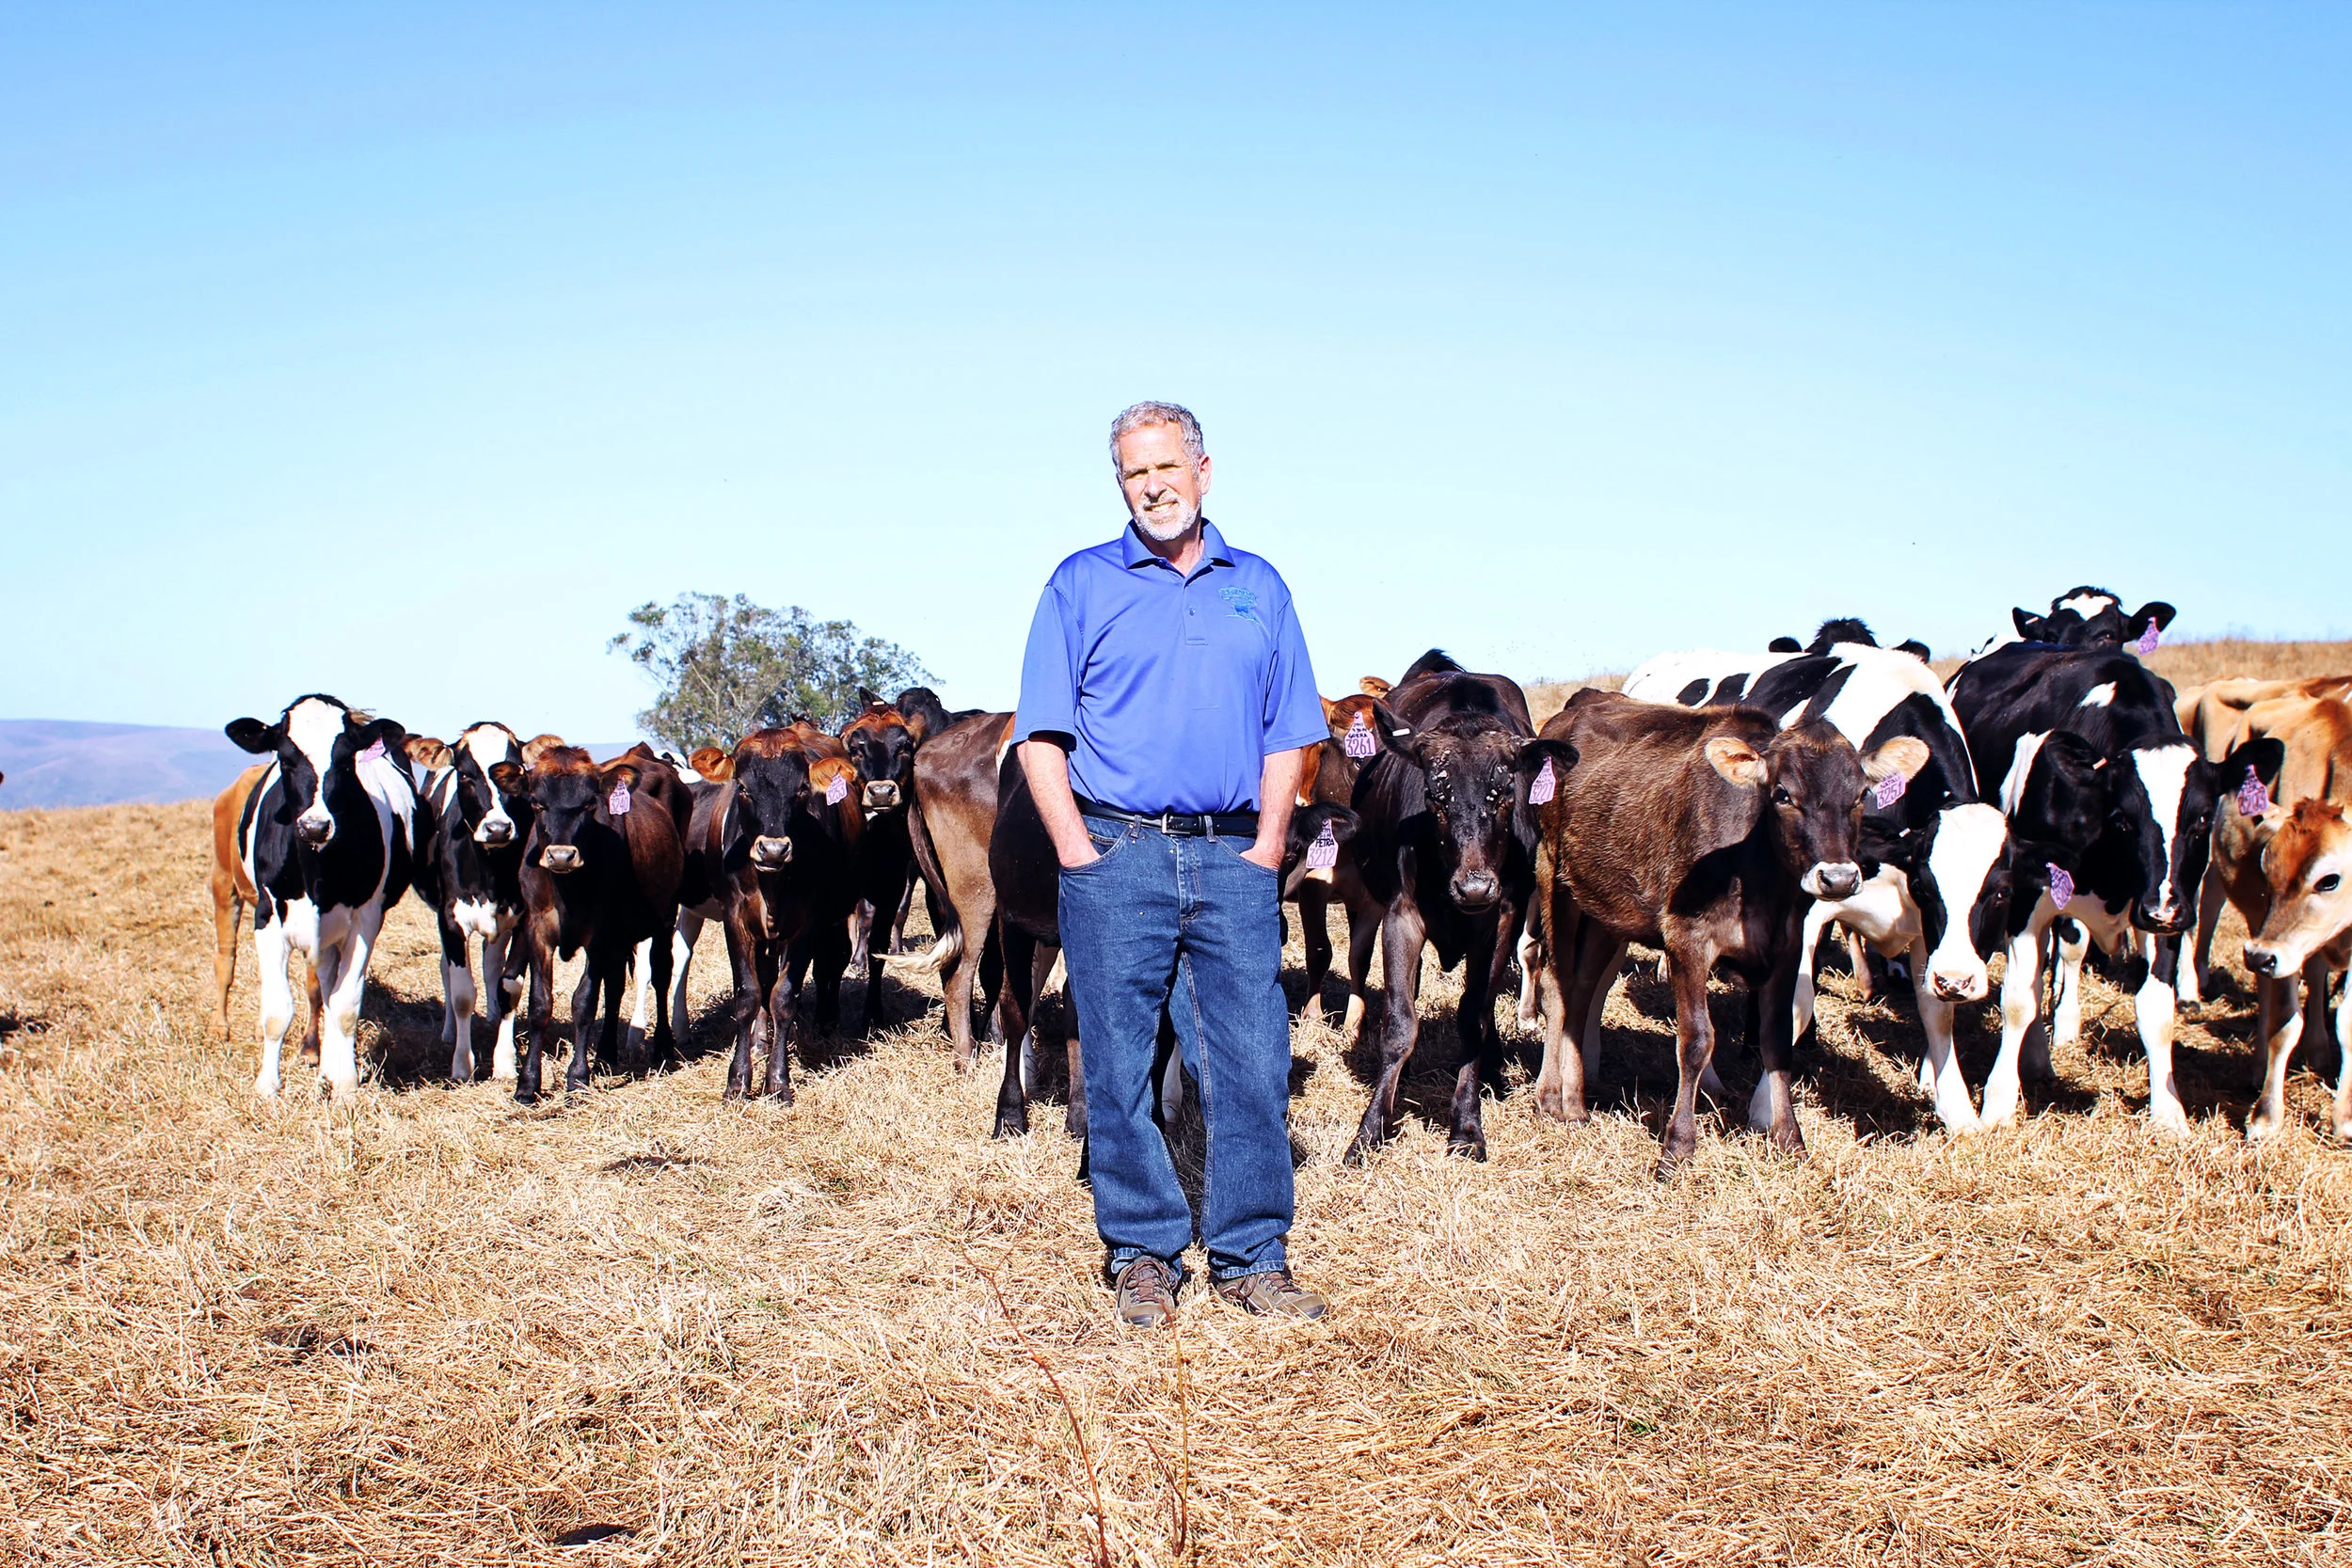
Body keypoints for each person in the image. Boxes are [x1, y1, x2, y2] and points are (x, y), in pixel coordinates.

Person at [1013, 401, 1330, 1327]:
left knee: (1249, 1061)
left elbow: (1287, 731)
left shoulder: (1258, 586)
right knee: (1114, 1064)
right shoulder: (1080, 584)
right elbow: (1039, 734)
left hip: (1233, 854)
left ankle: (1250, 1253)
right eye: (1130, 473)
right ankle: (1143, 1251)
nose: (1150, 486)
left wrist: (1269, 845)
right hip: (1119, 854)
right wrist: (1078, 851)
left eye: (1164, 468)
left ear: (1203, 469)